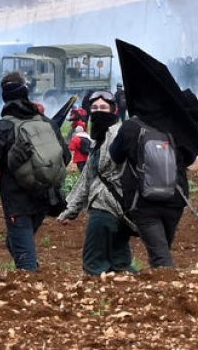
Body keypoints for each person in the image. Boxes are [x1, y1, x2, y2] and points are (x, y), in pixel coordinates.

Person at [0, 73, 68, 272]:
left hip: (17, 202)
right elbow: (65, 156)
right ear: (26, 92)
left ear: (3, 96)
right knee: (14, 242)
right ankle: (38, 281)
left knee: (25, 261)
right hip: (45, 196)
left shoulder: (1, 128)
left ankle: (36, 290)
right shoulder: (47, 122)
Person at [59, 91, 136, 275]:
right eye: (94, 108)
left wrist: (71, 210)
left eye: (103, 107)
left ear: (114, 110)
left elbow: (99, 175)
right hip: (122, 210)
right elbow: (87, 177)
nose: (98, 111)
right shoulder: (97, 140)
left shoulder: (119, 135)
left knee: (94, 263)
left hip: (105, 208)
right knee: (120, 263)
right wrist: (71, 210)